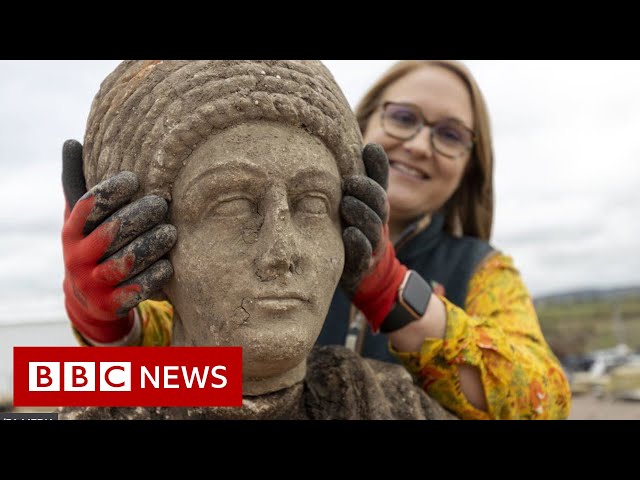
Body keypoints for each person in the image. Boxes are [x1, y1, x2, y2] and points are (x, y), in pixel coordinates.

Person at [61, 60, 571, 420]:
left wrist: (392, 293)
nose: (420, 144)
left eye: (451, 134)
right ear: (365, 122)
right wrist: (106, 320)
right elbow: (161, 358)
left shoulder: (481, 271)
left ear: (471, 163)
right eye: (403, 117)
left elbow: (543, 403)